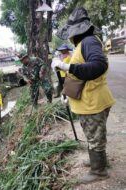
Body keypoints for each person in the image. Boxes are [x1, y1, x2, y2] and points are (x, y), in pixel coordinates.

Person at [52, 7, 115, 184]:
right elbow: (78, 77)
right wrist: (65, 92)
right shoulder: (83, 44)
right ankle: (97, 161)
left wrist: (67, 67)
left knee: (95, 136)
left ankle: (99, 170)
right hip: (88, 101)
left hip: (93, 102)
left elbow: (98, 66)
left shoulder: (89, 42)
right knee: (92, 134)